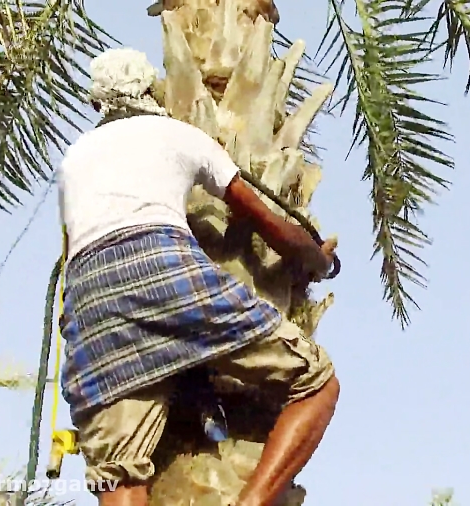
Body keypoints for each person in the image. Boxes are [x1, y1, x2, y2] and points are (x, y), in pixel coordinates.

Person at [58, 48, 340, 506]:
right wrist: (315, 259)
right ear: (152, 91)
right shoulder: (178, 134)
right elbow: (261, 215)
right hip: (162, 268)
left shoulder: (75, 158)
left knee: (120, 475)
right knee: (317, 382)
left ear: (99, 104)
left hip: (91, 303)